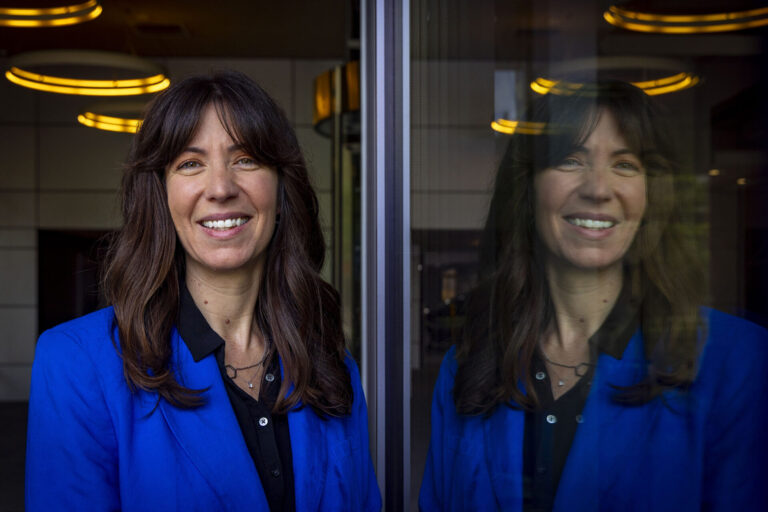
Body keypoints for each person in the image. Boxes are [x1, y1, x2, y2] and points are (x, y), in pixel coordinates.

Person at [26, 71, 381, 511]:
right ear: (161, 193)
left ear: (281, 185)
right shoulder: (76, 363)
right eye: (190, 163)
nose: (221, 188)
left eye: (246, 159)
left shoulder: (331, 363)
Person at [419, 81, 768, 511]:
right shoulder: (467, 366)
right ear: (528, 190)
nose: (598, 189)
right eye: (569, 160)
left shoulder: (741, 362)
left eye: (625, 165)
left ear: (651, 196)